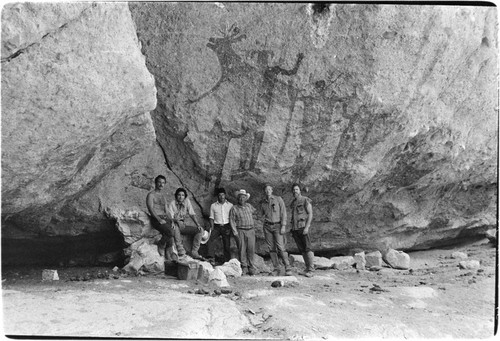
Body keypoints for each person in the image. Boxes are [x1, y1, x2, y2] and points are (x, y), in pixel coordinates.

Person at [146, 175, 186, 260]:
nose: (161, 184)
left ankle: (169, 254)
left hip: (164, 218)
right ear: (155, 183)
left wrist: (171, 220)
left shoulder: (163, 196)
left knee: (174, 229)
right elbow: (151, 209)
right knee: (170, 232)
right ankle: (161, 244)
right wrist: (159, 219)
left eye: (163, 183)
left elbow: (167, 211)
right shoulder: (151, 195)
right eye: (159, 182)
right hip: (156, 218)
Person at [259, 184, 292, 276]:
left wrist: (283, 225)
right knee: (271, 248)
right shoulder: (263, 202)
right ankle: (276, 268)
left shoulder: (278, 199)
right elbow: (260, 214)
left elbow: (283, 213)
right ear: (264, 191)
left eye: (269, 189)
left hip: (277, 225)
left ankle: (288, 267)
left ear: (272, 190)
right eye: (266, 189)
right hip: (267, 226)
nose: (268, 191)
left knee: (281, 247)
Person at [168, 187, 204, 260]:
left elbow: (192, 214)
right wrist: (176, 221)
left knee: (199, 230)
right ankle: (181, 251)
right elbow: (170, 217)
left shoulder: (187, 201)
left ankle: (194, 252)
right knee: (176, 227)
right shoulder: (172, 203)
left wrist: (198, 224)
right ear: (176, 196)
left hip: (183, 225)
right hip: (175, 223)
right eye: (179, 195)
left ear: (185, 196)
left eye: (182, 195)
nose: (181, 197)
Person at [229, 189, 257, 276]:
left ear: (246, 198)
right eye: (240, 197)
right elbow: (232, 220)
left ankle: (251, 267)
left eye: (243, 197)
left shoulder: (249, 206)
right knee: (242, 249)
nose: (242, 199)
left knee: (251, 249)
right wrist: (235, 232)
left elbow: (255, 213)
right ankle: (244, 267)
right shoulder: (234, 208)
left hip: (250, 230)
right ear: (238, 198)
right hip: (240, 230)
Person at [290, 183, 315, 277]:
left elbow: (310, 214)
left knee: (308, 248)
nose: (295, 191)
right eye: (293, 190)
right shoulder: (293, 203)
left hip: (303, 227)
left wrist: (307, 227)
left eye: (296, 189)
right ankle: (307, 268)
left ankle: (311, 270)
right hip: (296, 228)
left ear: (300, 190)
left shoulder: (305, 200)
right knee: (302, 249)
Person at [208, 188, 238, 263]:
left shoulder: (230, 205)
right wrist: (211, 228)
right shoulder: (213, 206)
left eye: (223, 195)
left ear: (225, 195)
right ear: (217, 196)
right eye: (220, 195)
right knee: (210, 239)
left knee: (227, 244)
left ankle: (227, 262)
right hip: (217, 226)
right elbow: (211, 217)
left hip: (227, 226)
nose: (221, 197)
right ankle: (211, 258)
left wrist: (231, 228)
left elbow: (233, 218)